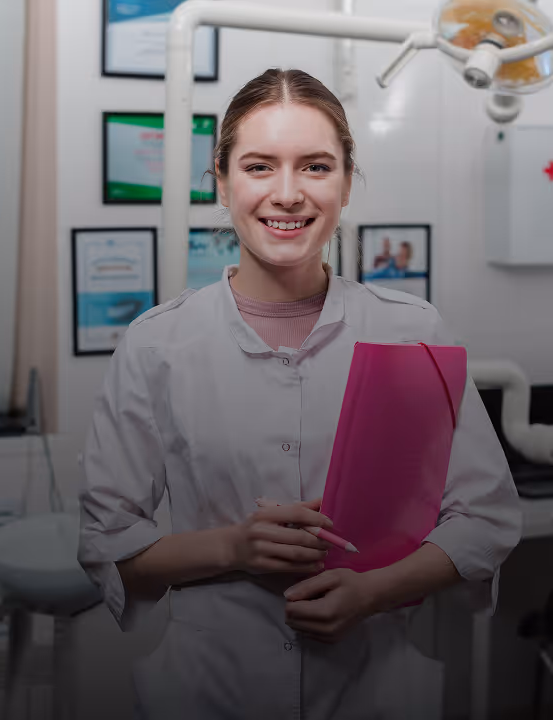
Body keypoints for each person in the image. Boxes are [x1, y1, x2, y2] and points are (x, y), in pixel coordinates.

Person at [78, 69, 522, 720]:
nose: (287, 194)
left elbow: (484, 518)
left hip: (374, 681)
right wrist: (233, 547)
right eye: (259, 167)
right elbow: (108, 544)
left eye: (316, 167)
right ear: (223, 184)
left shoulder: (412, 329)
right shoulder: (158, 344)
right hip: (211, 684)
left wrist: (374, 591)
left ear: (346, 183)